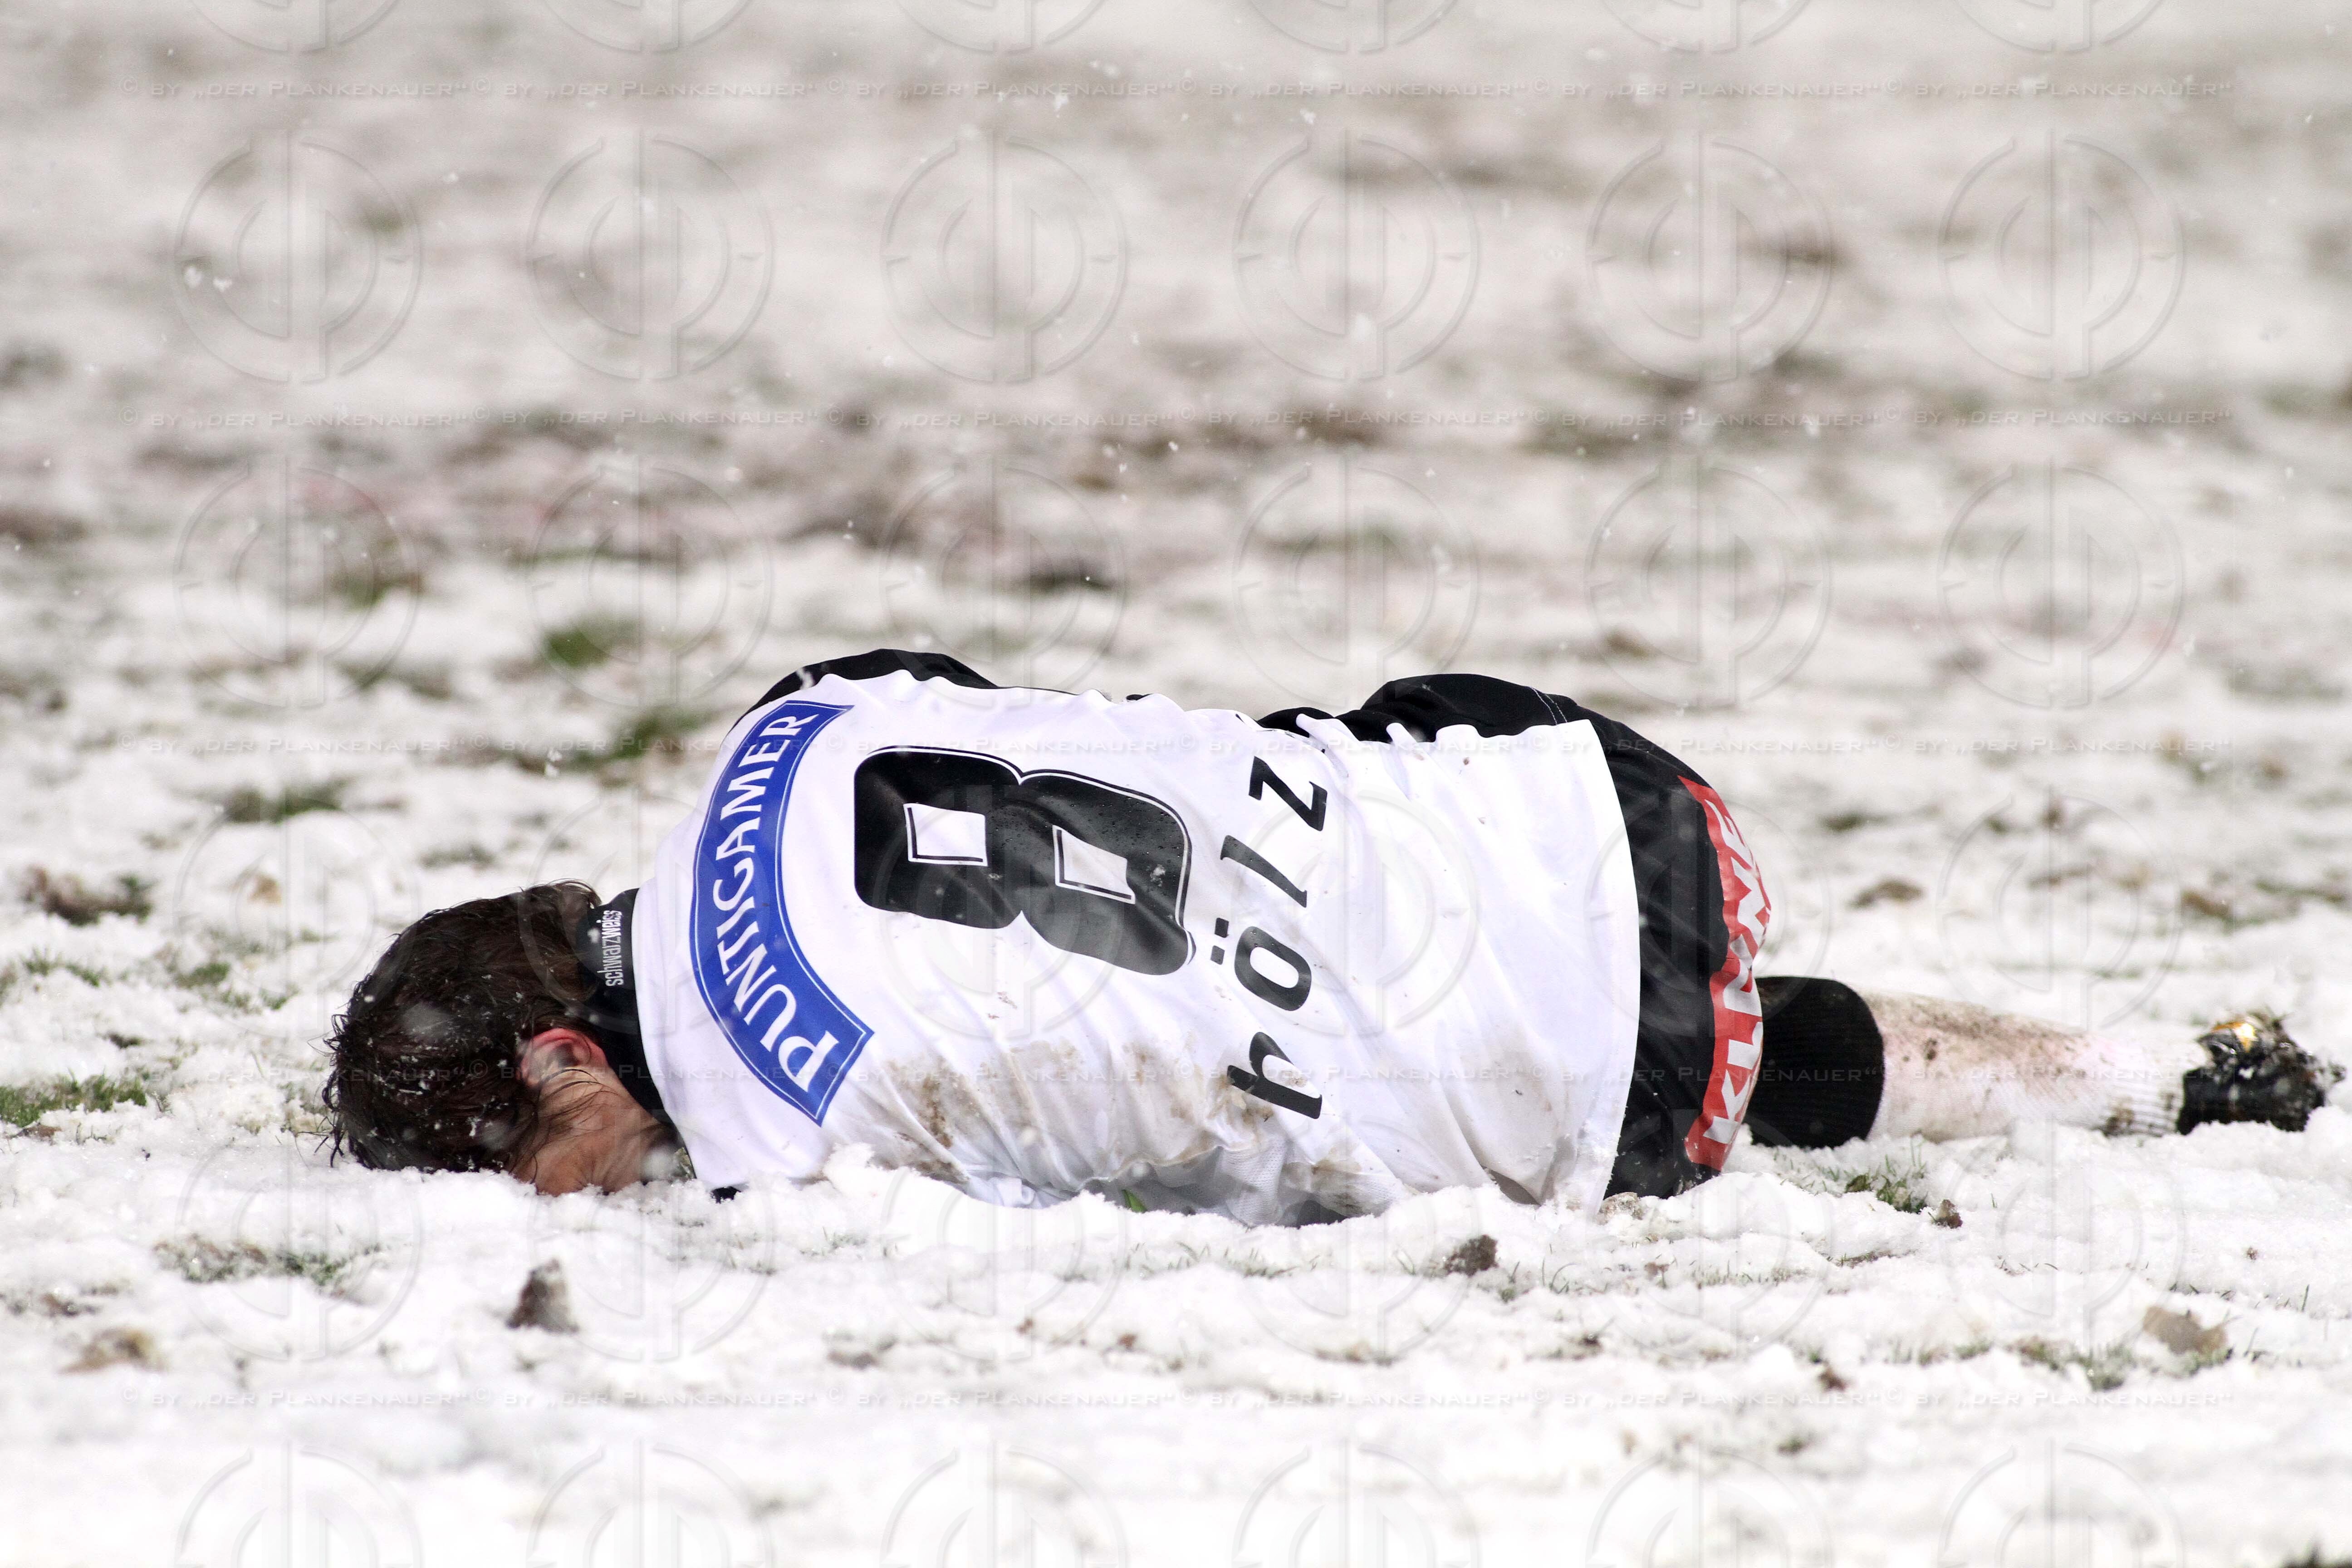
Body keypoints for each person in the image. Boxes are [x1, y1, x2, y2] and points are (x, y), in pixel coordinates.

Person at [323, 651, 2337, 1219]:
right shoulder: (791, 722)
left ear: (563, 1059)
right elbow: (961, 693)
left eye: (519, 1164)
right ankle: (2154, 1074)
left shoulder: (776, 1148)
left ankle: (2121, 1078)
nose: (558, 1204)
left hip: (1615, 1076)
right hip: (1592, 778)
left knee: (1398, 1051)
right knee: (1357, 831)